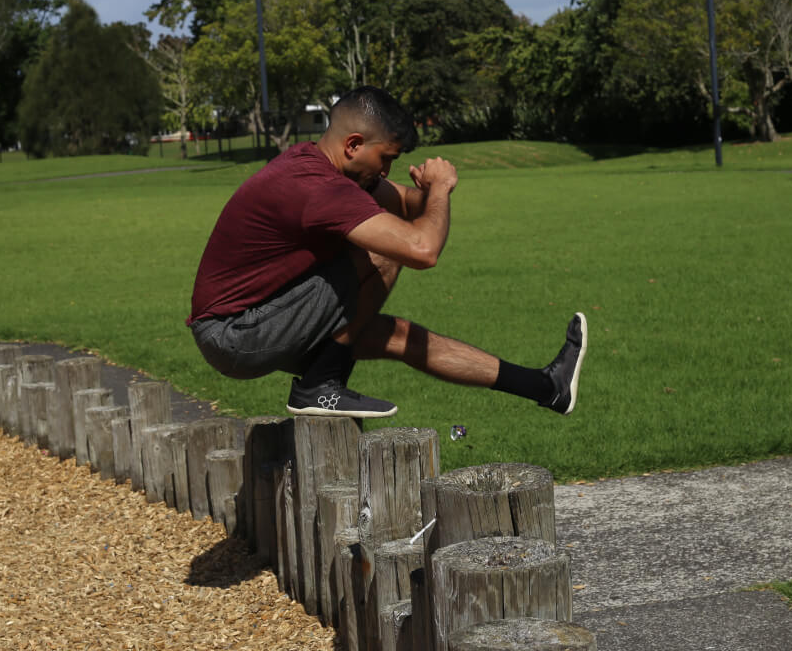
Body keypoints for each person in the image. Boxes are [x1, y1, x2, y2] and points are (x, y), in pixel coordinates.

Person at [187, 85, 586, 419]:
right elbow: (422, 248)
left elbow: (412, 206)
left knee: (400, 336)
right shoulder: (320, 187)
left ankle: (547, 387)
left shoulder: (326, 168)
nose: (386, 172)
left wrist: (430, 191)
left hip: (266, 319)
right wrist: (441, 191)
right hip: (236, 333)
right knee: (383, 253)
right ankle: (319, 387)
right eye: (386, 160)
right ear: (353, 144)